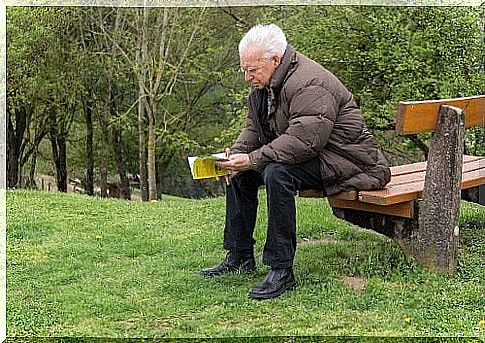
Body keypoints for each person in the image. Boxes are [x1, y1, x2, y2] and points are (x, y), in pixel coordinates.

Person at [200, 24, 391, 300]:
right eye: (244, 69)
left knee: (277, 174)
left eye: (251, 70)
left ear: (275, 60)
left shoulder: (309, 83)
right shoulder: (266, 84)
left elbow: (305, 141)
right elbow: (255, 128)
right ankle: (240, 255)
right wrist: (237, 155)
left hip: (347, 160)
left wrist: (253, 159)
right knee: (240, 173)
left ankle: (281, 270)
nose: (246, 77)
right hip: (316, 154)